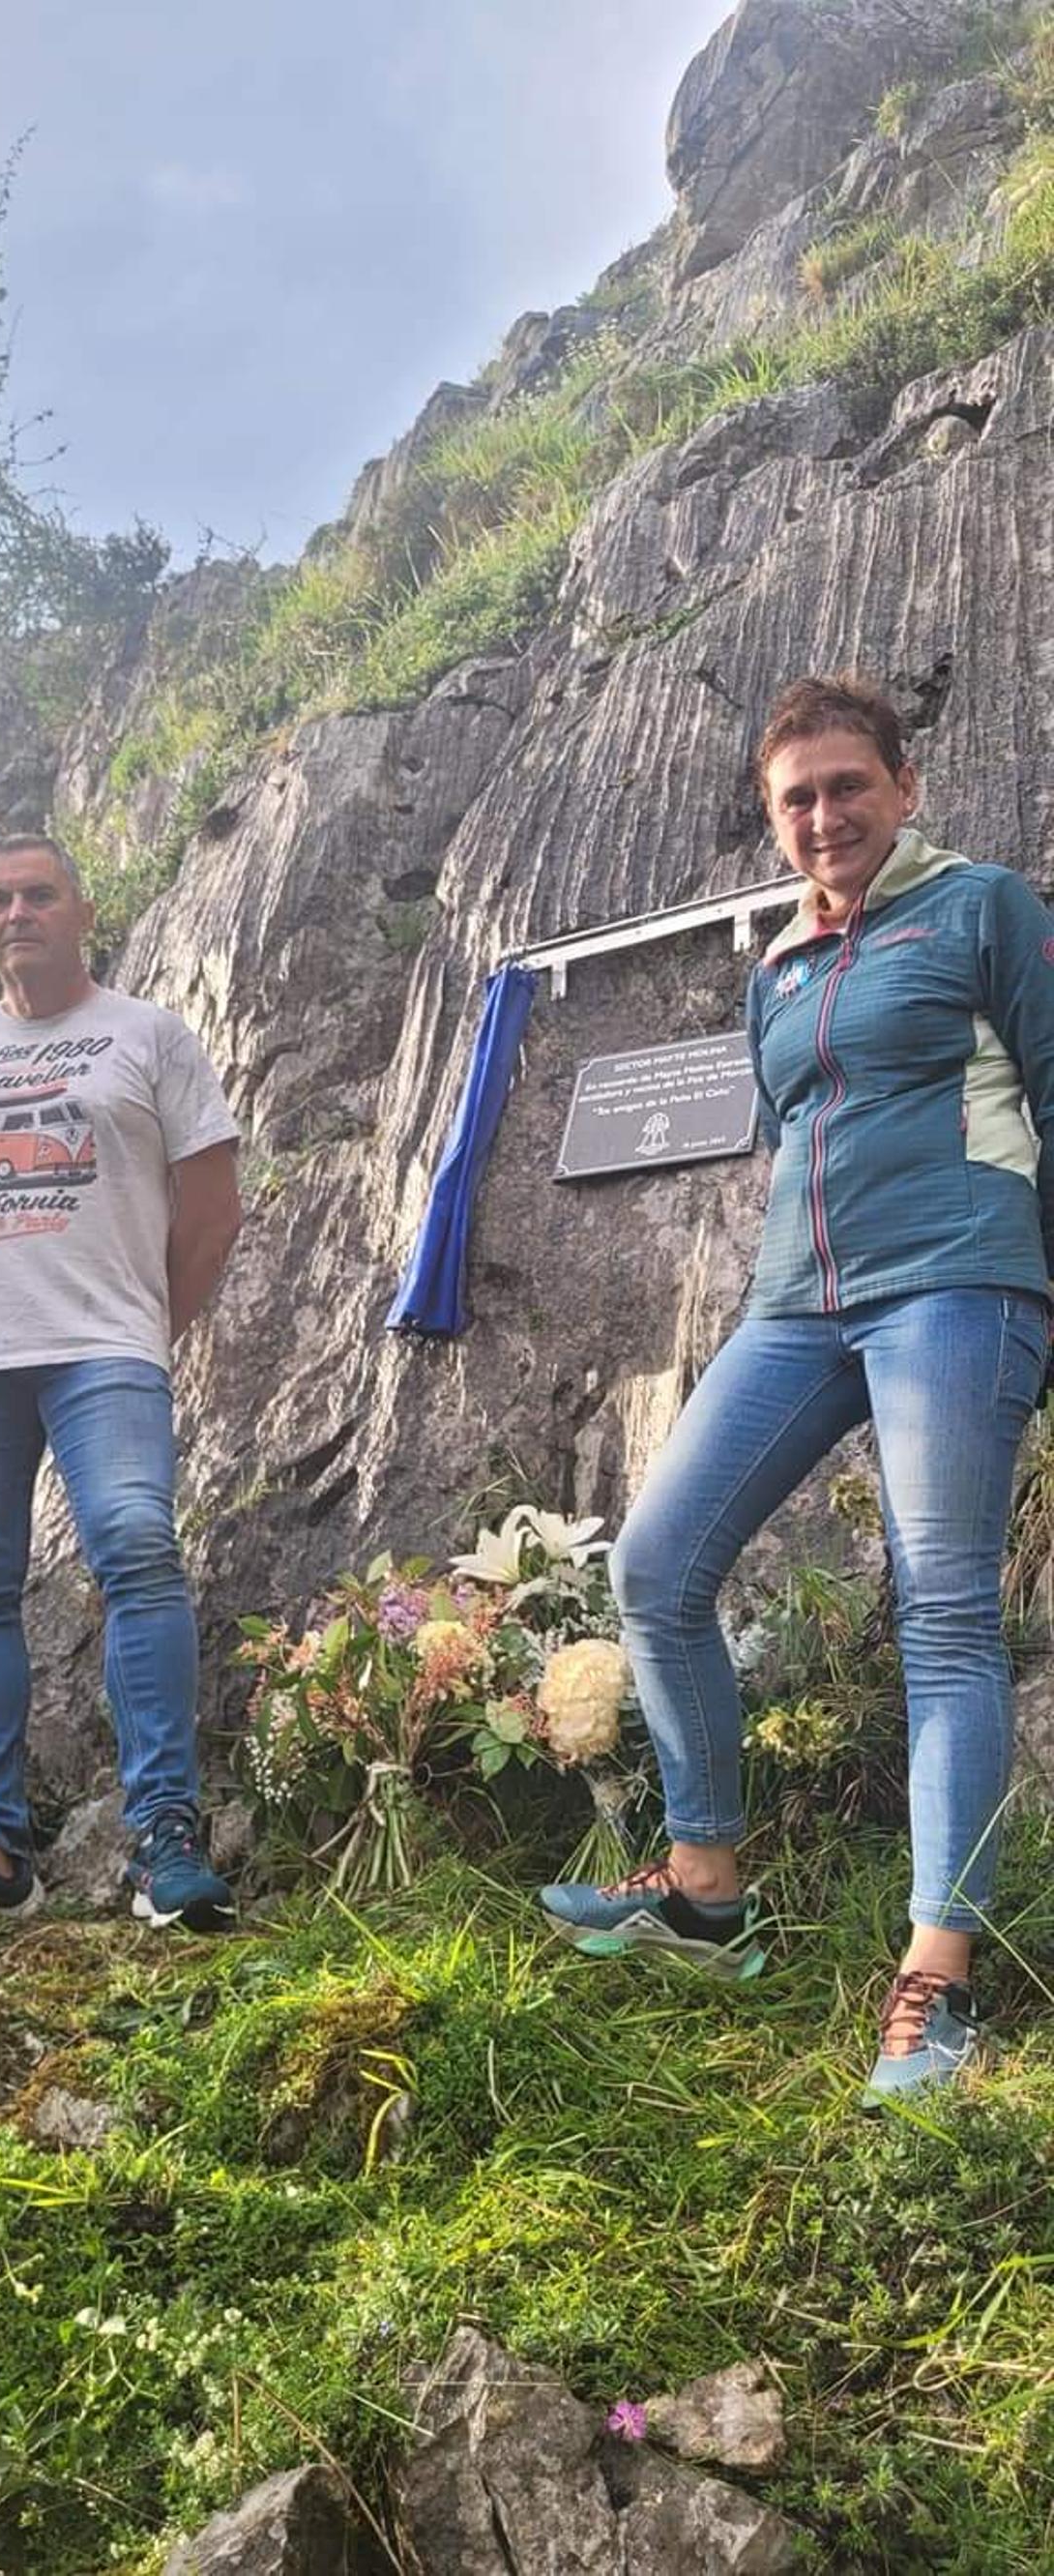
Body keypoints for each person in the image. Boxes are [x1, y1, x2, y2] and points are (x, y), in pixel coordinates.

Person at [542, 672, 1054, 2106]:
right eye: (796, 799)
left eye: (847, 785)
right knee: (653, 1562)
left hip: (956, 1279)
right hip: (796, 1308)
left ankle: (937, 1975)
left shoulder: (982, 907)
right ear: (773, 823)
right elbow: (792, 1135)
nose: (824, 816)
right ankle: (705, 1885)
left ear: (905, 786)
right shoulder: (775, 965)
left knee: (943, 1609)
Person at [0, 832, 243, 1939]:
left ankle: (165, 1839)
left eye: (39, 894)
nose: (18, 913)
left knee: (138, 1549)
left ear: (82, 911)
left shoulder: (147, 1035)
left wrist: (149, 1323)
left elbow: (214, 1205)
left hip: (106, 1349)